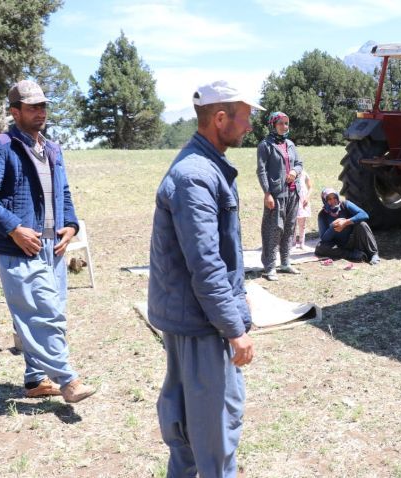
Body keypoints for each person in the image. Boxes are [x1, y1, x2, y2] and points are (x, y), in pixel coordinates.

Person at [148, 80, 259, 477]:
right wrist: (233, 328)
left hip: (191, 318)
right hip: (202, 324)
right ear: (220, 118)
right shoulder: (196, 176)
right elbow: (206, 264)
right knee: (213, 432)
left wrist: (238, 300)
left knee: (186, 428)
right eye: (244, 119)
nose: (249, 127)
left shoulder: (201, 167)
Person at [0, 80, 95, 403]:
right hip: (19, 246)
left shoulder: (52, 148)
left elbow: (63, 193)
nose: (40, 112)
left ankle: (35, 379)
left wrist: (70, 226)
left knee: (45, 311)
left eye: (42, 106)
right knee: (43, 314)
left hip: (52, 247)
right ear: (15, 112)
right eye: (32, 107)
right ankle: (68, 380)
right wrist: (14, 229)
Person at [257, 111, 302, 280]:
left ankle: (285, 262)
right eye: (281, 123)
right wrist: (267, 193)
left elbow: (299, 163)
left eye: (286, 123)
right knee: (274, 229)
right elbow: (261, 171)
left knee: (290, 228)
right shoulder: (265, 145)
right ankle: (269, 267)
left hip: (293, 193)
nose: (285, 126)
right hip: (276, 194)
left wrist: (294, 172)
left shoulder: (290, 144)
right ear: (273, 125)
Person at [315, 187, 380, 264]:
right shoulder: (322, 215)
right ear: (324, 201)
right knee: (320, 247)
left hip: (353, 239)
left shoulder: (345, 204)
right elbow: (324, 238)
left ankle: (373, 254)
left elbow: (364, 215)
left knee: (362, 224)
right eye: (329, 199)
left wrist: (346, 222)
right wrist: (332, 228)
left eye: (335, 197)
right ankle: (354, 255)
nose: (333, 201)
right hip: (338, 246)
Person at [293, 169, 313, 250]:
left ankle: (302, 243)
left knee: (302, 224)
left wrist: (307, 197)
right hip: (293, 199)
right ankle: (293, 243)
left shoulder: (304, 173)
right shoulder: (289, 172)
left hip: (303, 200)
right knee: (292, 224)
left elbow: (310, 187)